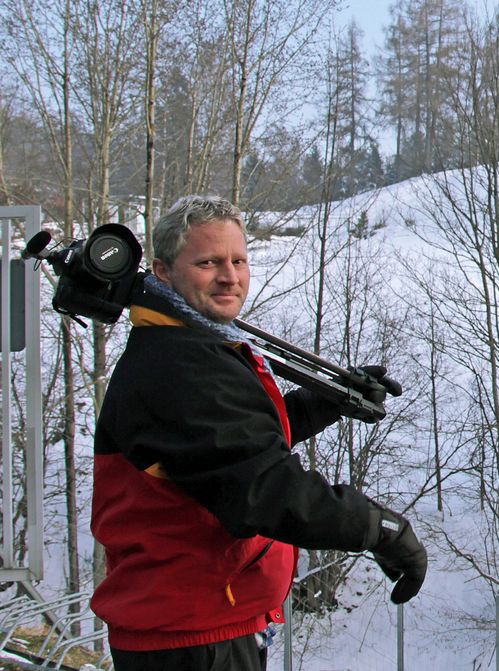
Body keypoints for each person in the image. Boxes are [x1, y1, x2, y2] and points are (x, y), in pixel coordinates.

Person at [90, 195, 426, 671]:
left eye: (239, 260)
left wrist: (322, 402)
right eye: (209, 262)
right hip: (192, 637)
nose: (230, 276)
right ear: (163, 271)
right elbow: (264, 488)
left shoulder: (184, 343)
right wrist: (382, 530)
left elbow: (228, 444)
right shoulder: (180, 364)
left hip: (199, 625)